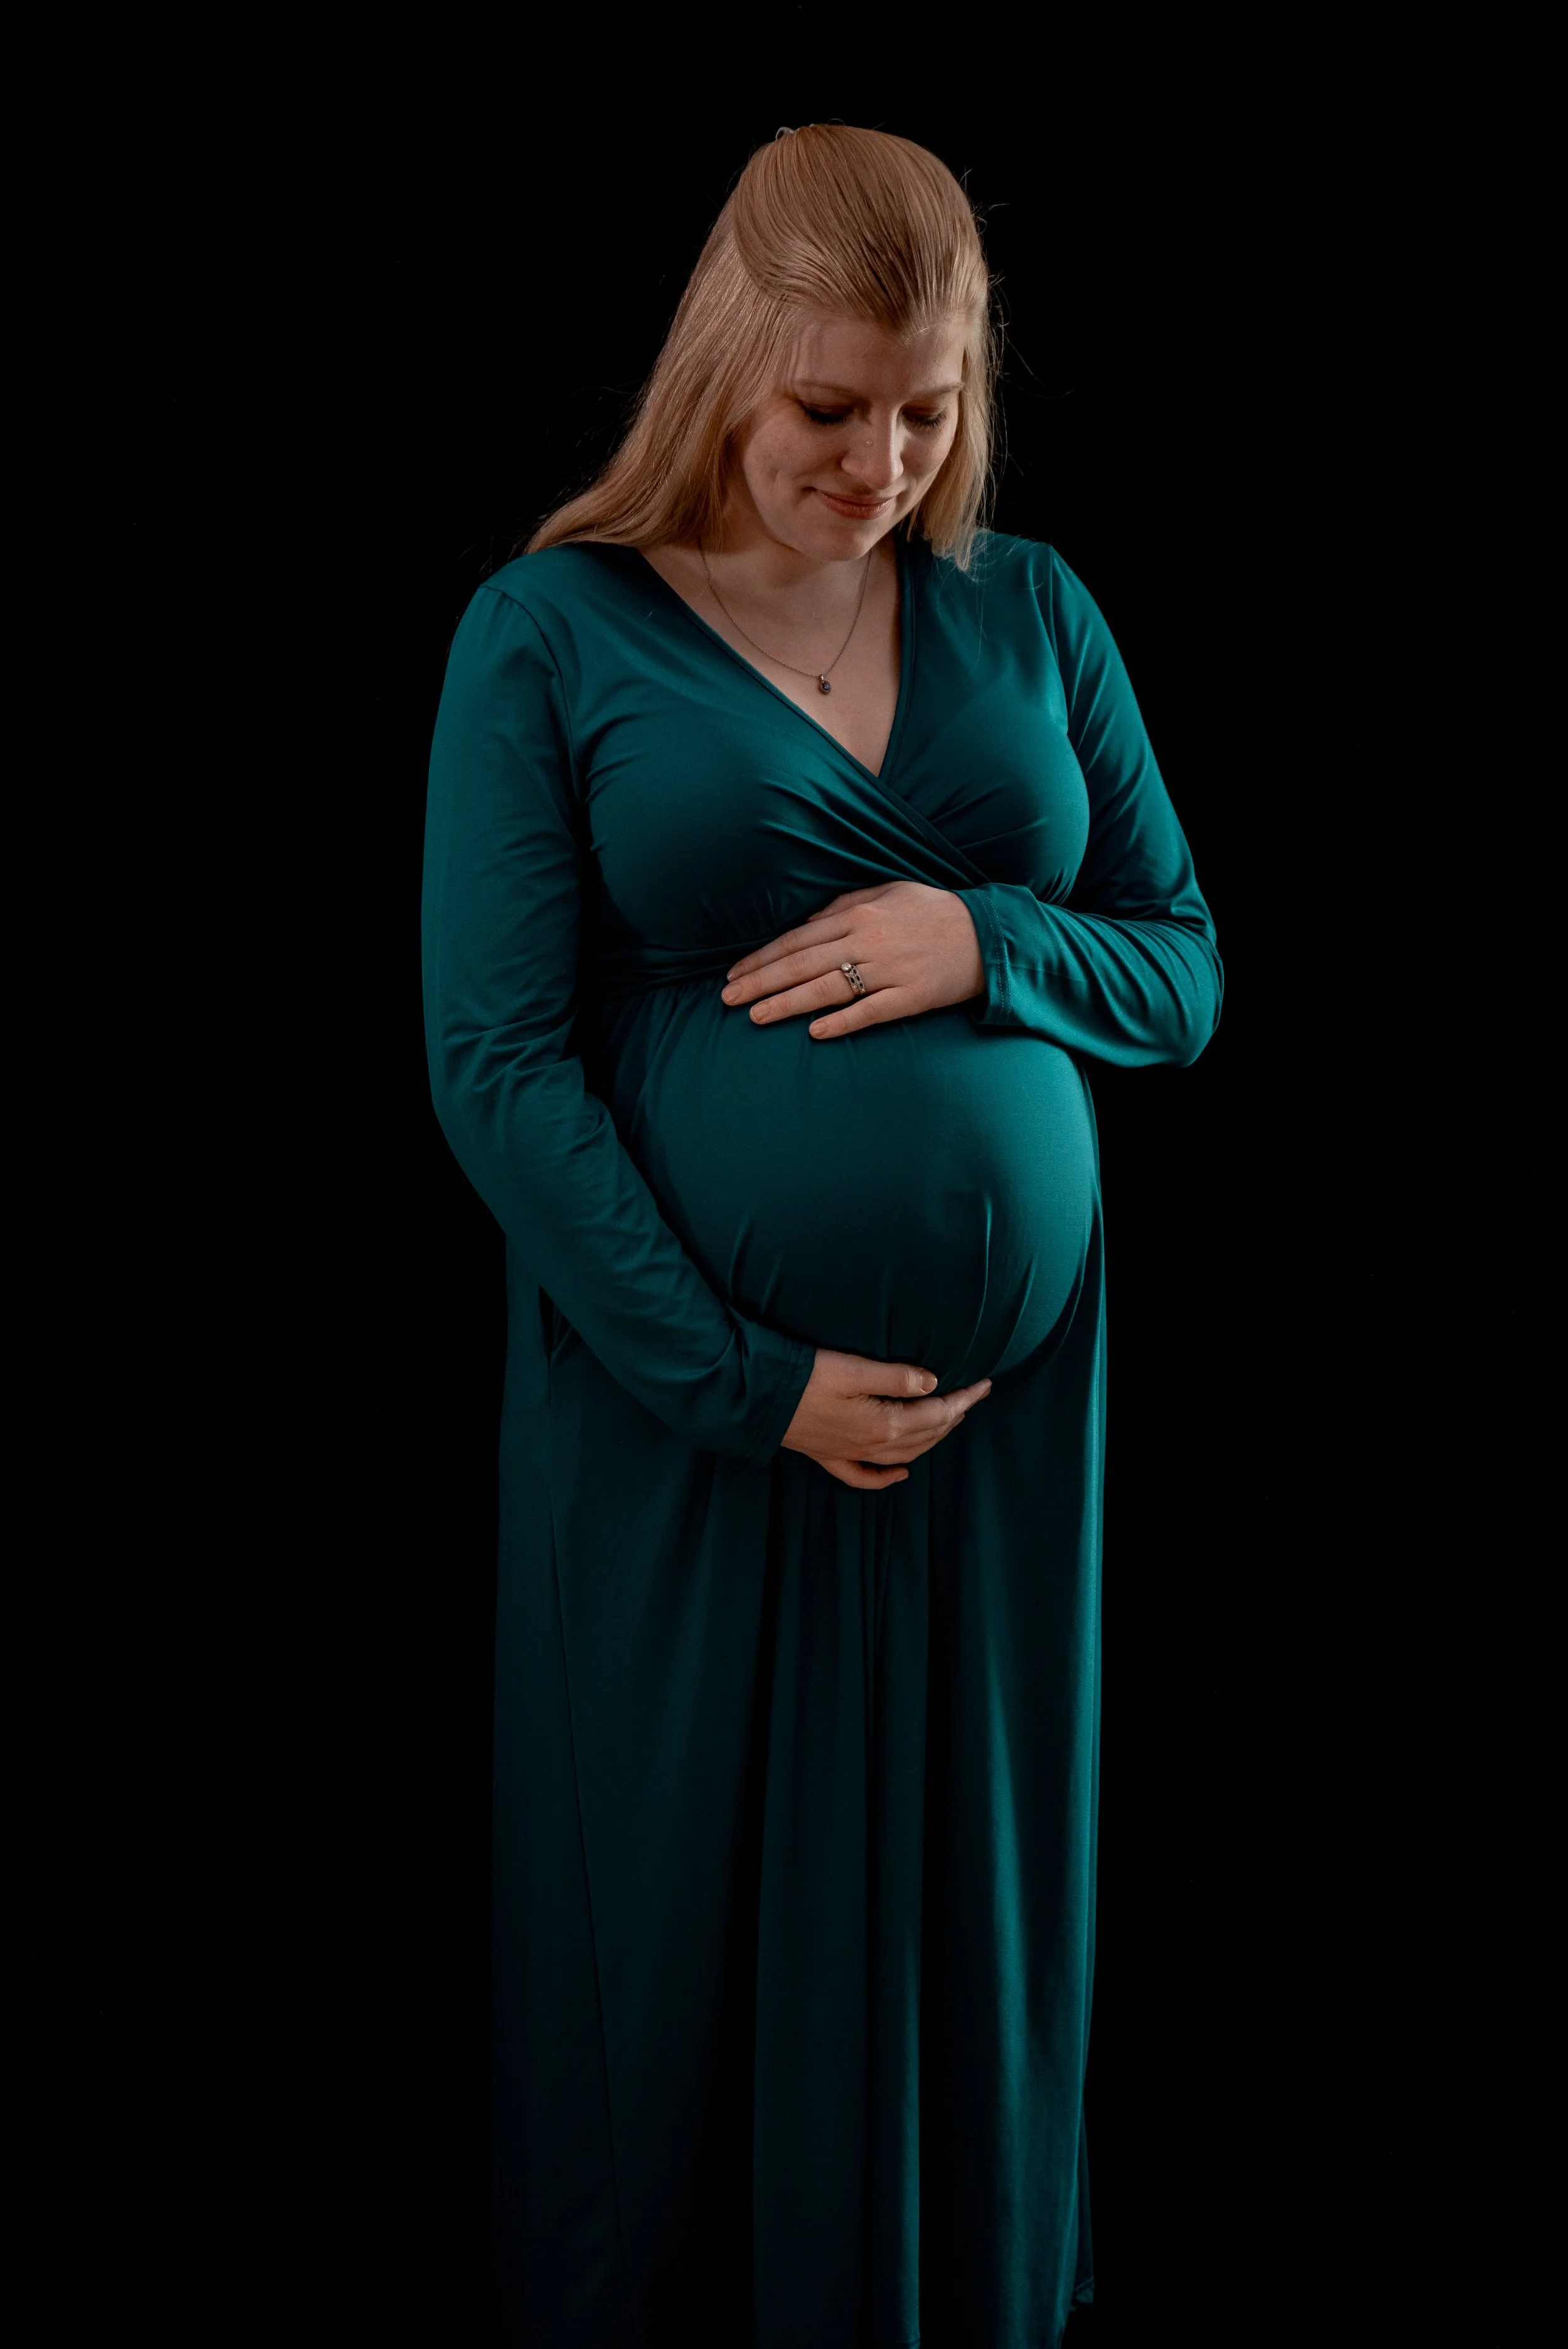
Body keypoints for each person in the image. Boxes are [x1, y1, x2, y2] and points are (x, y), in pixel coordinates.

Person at [422, 122, 1221, 2349]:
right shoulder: (550, 632)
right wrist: (740, 1379)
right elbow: (495, 1065)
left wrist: (987, 940)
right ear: (725, 369)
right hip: (685, 1416)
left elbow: (1181, 962)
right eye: (829, 409)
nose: (881, 462)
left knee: (962, 1926)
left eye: (931, 408)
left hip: (990, 1437)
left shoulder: (1030, 609)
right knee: (669, 1939)